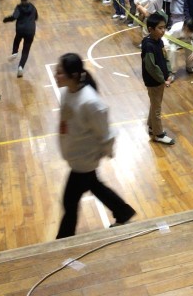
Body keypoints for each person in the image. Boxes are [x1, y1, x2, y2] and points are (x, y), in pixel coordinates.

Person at [54, 53, 136, 238]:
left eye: (60, 72)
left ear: (74, 75)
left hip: (84, 161)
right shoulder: (66, 93)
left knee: (69, 202)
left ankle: (63, 240)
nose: (56, 76)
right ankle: (123, 211)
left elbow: (105, 133)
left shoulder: (91, 103)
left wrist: (104, 152)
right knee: (96, 187)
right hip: (76, 158)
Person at [141, 12, 175, 145]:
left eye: (164, 27)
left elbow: (165, 58)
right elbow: (151, 67)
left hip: (160, 80)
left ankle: (152, 126)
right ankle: (158, 134)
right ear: (150, 29)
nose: (163, 30)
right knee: (157, 108)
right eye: (160, 28)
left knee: (155, 103)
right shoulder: (148, 45)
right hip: (154, 81)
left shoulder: (159, 42)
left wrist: (169, 72)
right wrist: (162, 79)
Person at [3, 0, 38, 78]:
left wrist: (5, 19)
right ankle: (20, 67)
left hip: (20, 29)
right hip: (30, 30)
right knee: (26, 50)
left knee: (16, 41)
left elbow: (14, 17)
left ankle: (14, 52)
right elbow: (36, 17)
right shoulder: (33, 7)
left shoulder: (18, 7)